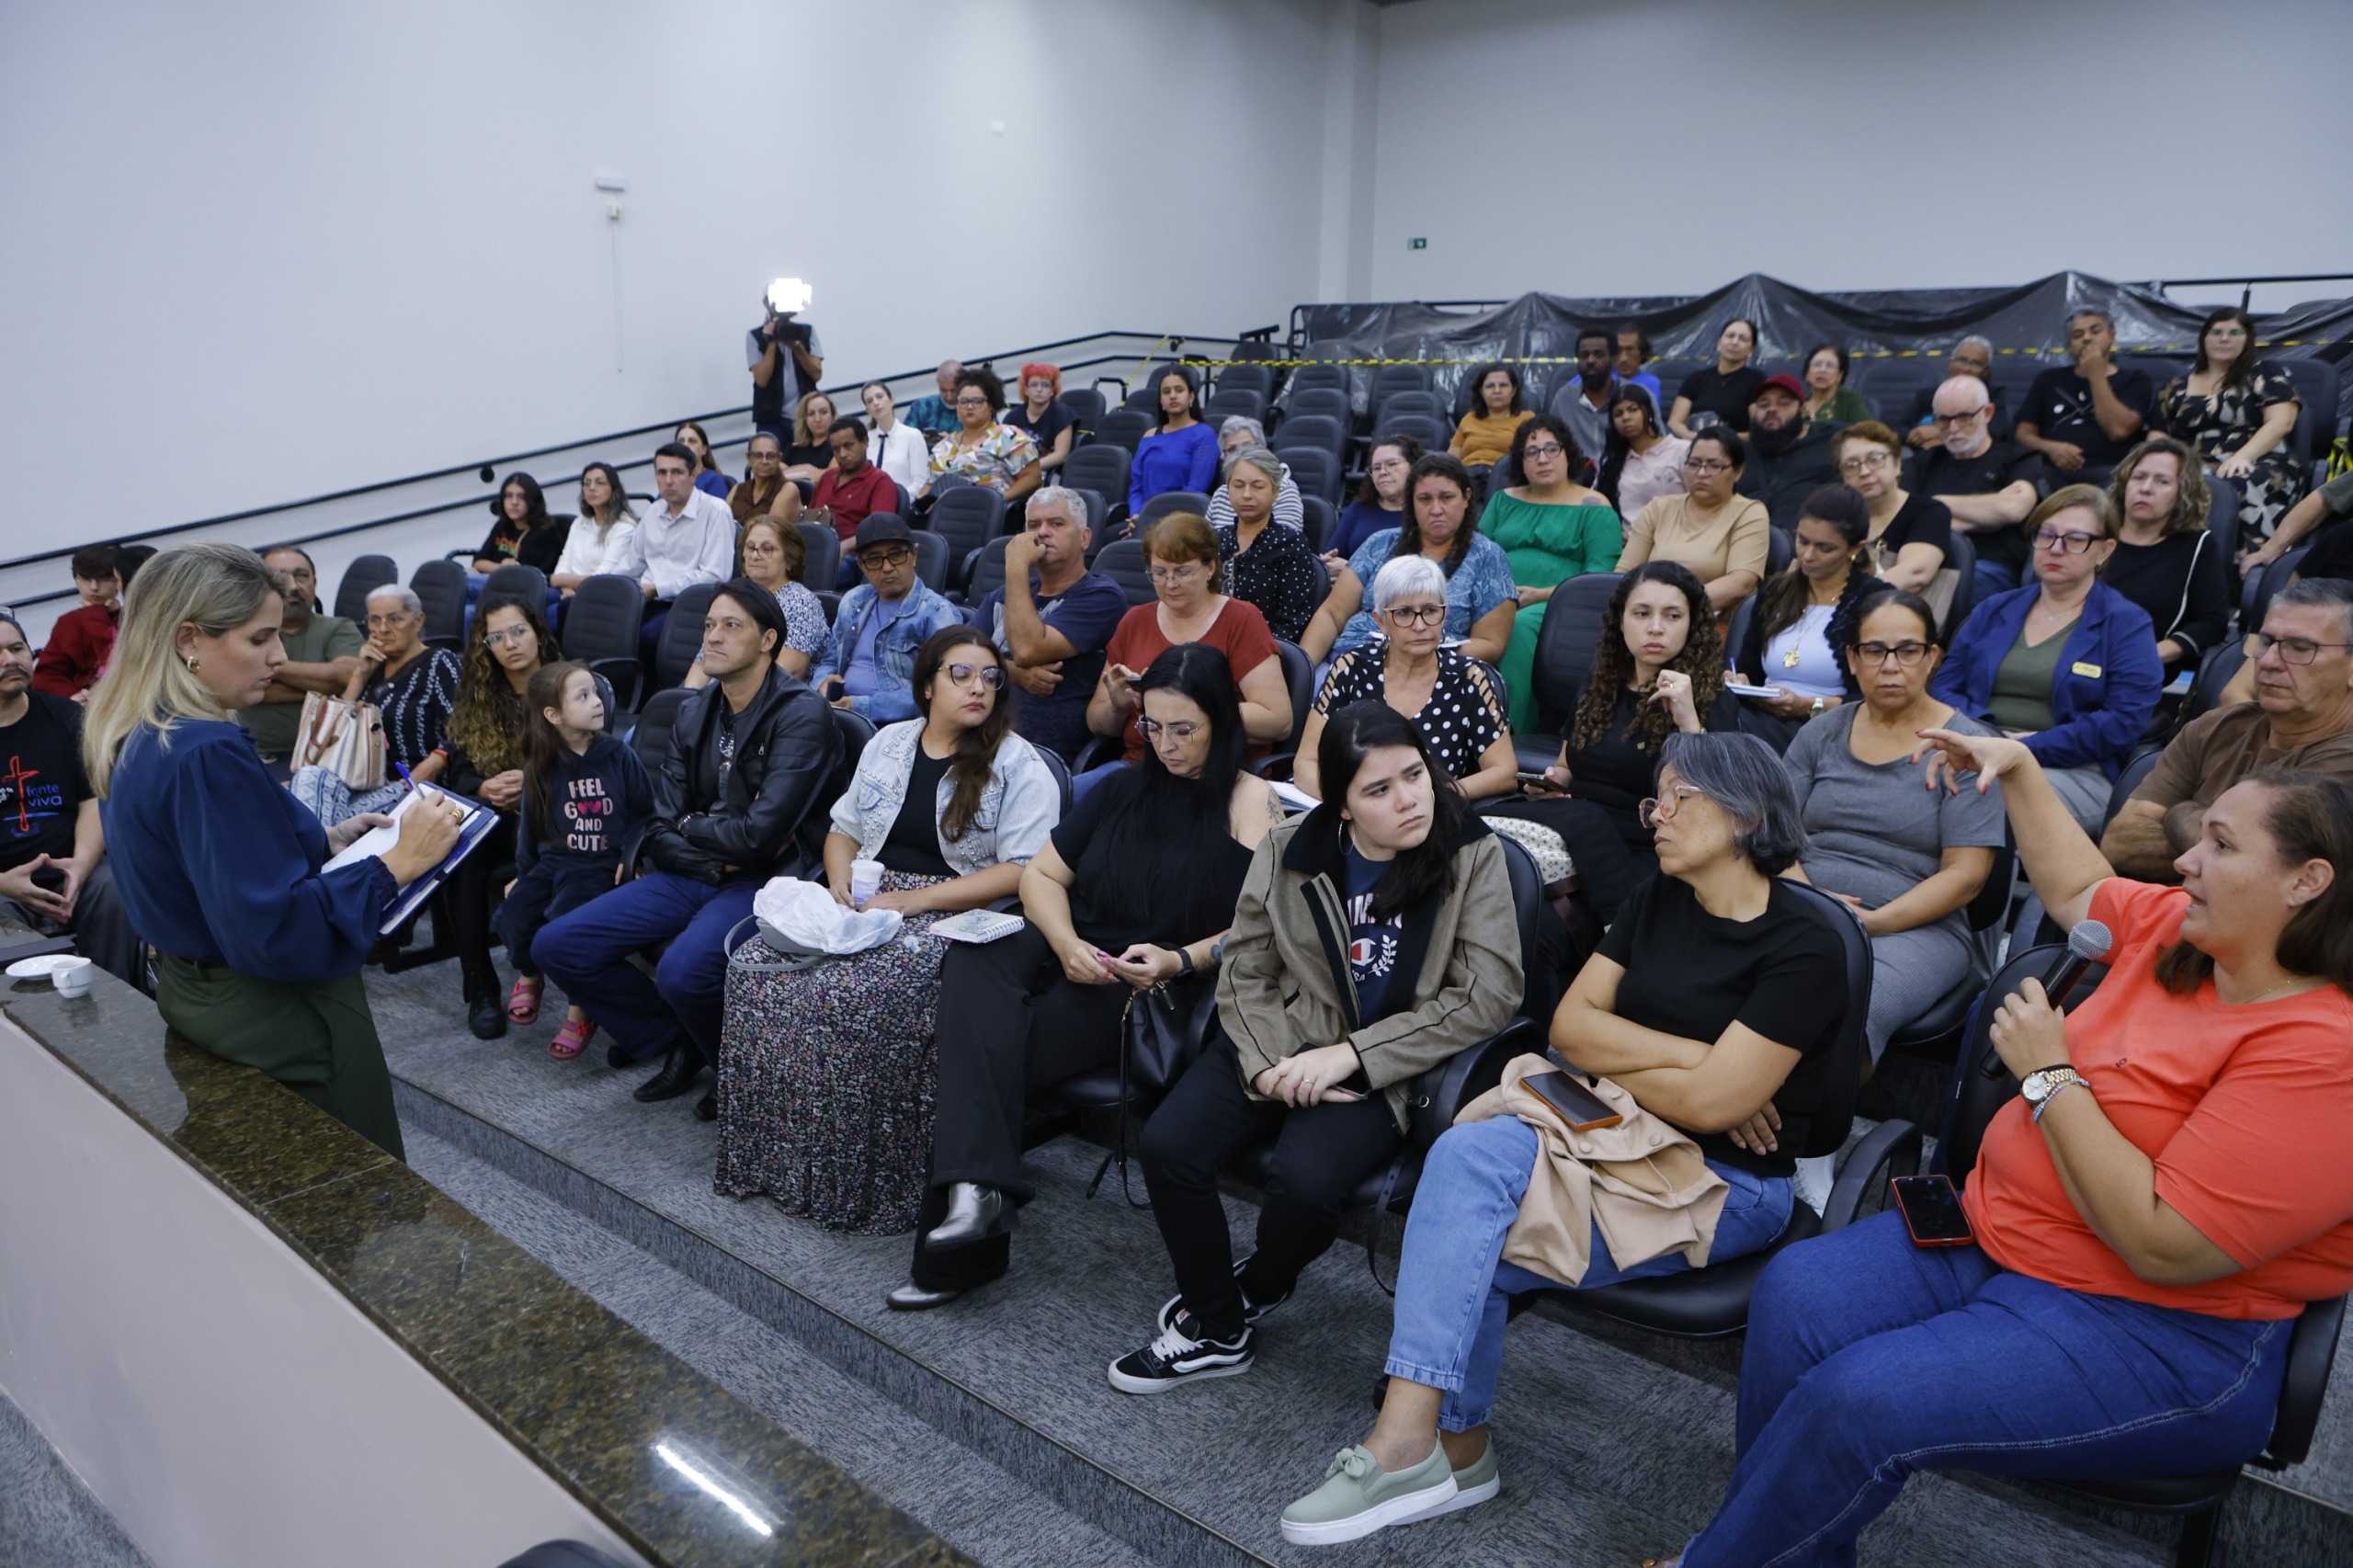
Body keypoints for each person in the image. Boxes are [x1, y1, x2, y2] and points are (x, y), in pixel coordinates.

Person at [1669, 733, 2353, 1568]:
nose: (2186, 861)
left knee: (1860, 1401)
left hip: (2159, 1326)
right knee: (1799, 1294)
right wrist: (2020, 771)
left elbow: (2165, 1245)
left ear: (2307, 882)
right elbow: (2077, 887)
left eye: (2220, 845)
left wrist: (2051, 1076)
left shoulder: (2326, 1054)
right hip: (1999, 1236)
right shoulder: (2184, 934)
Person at [1276, 732, 1839, 1543]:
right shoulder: (1656, 899)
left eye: (1679, 799)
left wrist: (1685, 1077)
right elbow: (1572, 1029)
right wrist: (1701, 1058)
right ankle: (1416, 1443)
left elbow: (1716, 1107)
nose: (1657, 816)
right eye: (1655, 800)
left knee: (1473, 1247)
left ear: (1747, 814)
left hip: (1724, 1182)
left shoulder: (1807, 944)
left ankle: (1446, 1449)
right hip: (1605, 1127)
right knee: (1464, 1153)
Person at [1112, 703, 1524, 1396]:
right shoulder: (1290, 849)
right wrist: (1269, 1065)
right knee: (1168, 1146)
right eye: (1379, 789)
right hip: (1281, 1036)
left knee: (1306, 1184)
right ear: (1341, 805)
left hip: (1387, 1058)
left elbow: (1488, 995)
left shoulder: (1470, 852)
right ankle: (1218, 1326)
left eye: (1415, 776)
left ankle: (1266, 1280)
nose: (1410, 800)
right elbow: (1246, 967)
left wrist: (1352, 1055)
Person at [894, 644, 1280, 1309]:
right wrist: (1066, 940)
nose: (1165, 744)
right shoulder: (1125, 787)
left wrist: (1179, 959)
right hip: (1072, 942)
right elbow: (1042, 876)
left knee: (980, 1052)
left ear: (1222, 721)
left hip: (1143, 972)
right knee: (975, 953)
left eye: (1183, 729)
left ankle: (968, 1219)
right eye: (1152, 726)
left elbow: (1260, 928)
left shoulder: (1252, 803)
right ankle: (976, 1197)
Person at [88, 544, 466, 1157]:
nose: (280, 657)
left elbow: (199, 864)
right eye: (259, 638)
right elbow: (278, 931)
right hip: (273, 1013)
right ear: (189, 639)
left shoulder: (137, 727)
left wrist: (321, 839)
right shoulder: (206, 751)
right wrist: (398, 863)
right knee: (351, 1181)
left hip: (199, 994)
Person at [715, 627, 1061, 1225]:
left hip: (954, 913)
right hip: (871, 897)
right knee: (755, 973)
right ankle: (776, 1162)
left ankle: (857, 1183)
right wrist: (840, 881)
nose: (978, 688)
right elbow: (843, 829)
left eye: (990, 678)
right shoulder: (889, 743)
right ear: (927, 686)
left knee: (847, 995)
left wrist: (913, 903)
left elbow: (1023, 871)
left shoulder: (1018, 765)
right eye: (960, 675)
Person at [534, 581, 840, 1102]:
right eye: (708, 626)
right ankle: (681, 1037)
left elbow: (759, 837)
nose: (712, 637)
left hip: (766, 881)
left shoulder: (802, 714)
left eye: (730, 626)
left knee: (682, 972)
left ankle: (738, 1075)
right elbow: (660, 820)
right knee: (558, 945)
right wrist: (698, 848)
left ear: (768, 640)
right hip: (697, 870)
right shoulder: (694, 709)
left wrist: (690, 828)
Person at [1782, 590, 2001, 1066]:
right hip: (1801, 903)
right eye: (1875, 650)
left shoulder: (1968, 748)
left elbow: (1966, 876)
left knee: (1843, 1006)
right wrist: (1814, 903)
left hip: (1916, 927)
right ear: (1852, 659)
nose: (1890, 666)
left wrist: (1869, 923)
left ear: (1932, 657)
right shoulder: (1820, 732)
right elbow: (1774, 837)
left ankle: (1805, 1115)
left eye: (1907, 650)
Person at [1489, 562, 1742, 925]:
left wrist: (1688, 720)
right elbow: (1565, 766)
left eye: (1672, 616)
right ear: (1621, 621)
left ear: (1692, 625)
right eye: (1641, 613)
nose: (1655, 627)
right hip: (1575, 833)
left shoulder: (1710, 697)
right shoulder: (1601, 682)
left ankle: (1619, 932)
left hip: (1644, 844)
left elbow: (1718, 806)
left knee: (1548, 920)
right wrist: (1551, 782)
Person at [1930, 486, 2162, 832]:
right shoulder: (1995, 609)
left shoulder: (2127, 624)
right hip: (1973, 752)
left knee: (1982, 795)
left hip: (2074, 771)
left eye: (2075, 539)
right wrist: (1983, 738)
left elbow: (2122, 724)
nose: (2055, 548)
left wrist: (2022, 747)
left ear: (2105, 550)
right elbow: (1944, 688)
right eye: (2046, 535)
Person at [2102, 579, 2353, 881]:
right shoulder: (2214, 727)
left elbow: (2267, 869)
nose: (2269, 662)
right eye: (2266, 642)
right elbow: (2119, 843)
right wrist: (2226, 844)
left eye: (2300, 648)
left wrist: (2178, 813)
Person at [500, 659, 654, 1062]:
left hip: (601, 864)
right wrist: (523, 875)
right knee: (512, 916)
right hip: (554, 861)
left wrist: (634, 854)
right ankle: (529, 974)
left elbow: (645, 814)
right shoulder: (541, 765)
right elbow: (529, 829)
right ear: (554, 715)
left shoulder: (618, 754)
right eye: (583, 697)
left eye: (596, 693)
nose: (597, 702)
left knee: (565, 925)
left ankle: (580, 1010)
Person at [1082, 514, 1290, 791]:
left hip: (1211, 774)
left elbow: (1277, 720)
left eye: (1182, 572)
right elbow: (1097, 723)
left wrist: (1183, 704)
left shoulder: (1240, 620)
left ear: (1210, 568)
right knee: (1064, 799)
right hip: (1139, 767)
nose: (1170, 584)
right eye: (1159, 573)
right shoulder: (1135, 621)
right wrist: (1118, 706)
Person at [435, 596, 558, 1038]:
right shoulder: (479, 698)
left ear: (537, 632)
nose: (510, 643)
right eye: (497, 637)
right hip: (499, 818)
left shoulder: (570, 685)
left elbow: (595, 760)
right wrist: (483, 788)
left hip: (558, 818)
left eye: (518, 631)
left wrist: (532, 780)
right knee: (461, 849)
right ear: (485, 647)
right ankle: (481, 985)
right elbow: (460, 770)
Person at [1297, 558, 1515, 801]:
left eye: (1430, 611)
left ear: (1445, 615)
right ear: (1380, 621)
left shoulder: (1468, 678)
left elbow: (1504, 771)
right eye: (1404, 613)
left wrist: (1434, 798)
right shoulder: (1351, 668)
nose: (1420, 625)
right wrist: (1353, 805)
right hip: (1351, 813)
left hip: (1434, 814)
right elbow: (1305, 762)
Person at [0, 614, 139, 983]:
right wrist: (3, 883)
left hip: (76, 869)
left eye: (16, 648)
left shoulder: (66, 717)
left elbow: (93, 798)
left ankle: (121, 998)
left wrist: (80, 866)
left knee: (116, 888)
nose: (9, 660)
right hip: (4, 885)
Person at [1302, 454, 1517, 667]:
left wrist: (1412, 654)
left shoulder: (1488, 556)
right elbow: (1332, 615)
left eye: (1446, 497)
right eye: (1424, 499)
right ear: (1411, 503)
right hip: (1348, 658)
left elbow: (1491, 644)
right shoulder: (1380, 543)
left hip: (1433, 670)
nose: (1436, 510)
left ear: (1466, 498)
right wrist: (1304, 670)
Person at [1485, 415, 1622, 731]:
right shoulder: (1502, 500)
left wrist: (1541, 594)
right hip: (1496, 598)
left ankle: (1507, 732)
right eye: (1532, 451)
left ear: (1567, 454)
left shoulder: (1594, 505)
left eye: (1551, 449)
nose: (1542, 458)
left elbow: (1598, 576)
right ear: (1520, 460)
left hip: (1560, 605)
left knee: (1517, 627)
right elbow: (1479, 555)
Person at [974, 487, 1128, 764]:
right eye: (1033, 525)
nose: (1043, 532)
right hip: (984, 739)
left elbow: (1027, 650)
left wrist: (1016, 566)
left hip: (1044, 756)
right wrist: (1014, 674)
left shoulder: (1102, 596)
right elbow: (956, 655)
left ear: (1085, 538)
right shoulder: (1002, 595)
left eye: (1056, 524)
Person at [288, 584, 462, 827]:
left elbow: (463, 727)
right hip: (359, 780)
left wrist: (430, 766)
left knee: (328, 819)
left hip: (413, 784)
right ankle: (323, 844)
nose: (383, 629)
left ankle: (321, 845)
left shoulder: (438, 662)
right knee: (309, 777)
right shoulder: (374, 669)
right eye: (375, 620)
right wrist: (360, 674)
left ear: (418, 621)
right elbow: (333, 736)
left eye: (395, 619)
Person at [1730, 486, 1891, 744]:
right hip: (1761, 719)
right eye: (1802, 541)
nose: (1807, 555)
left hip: (1835, 729)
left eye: (1824, 548)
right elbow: (1748, 669)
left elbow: (1878, 696)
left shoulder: (1876, 602)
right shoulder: (1775, 591)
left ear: (1855, 549)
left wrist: (1809, 705)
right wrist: (1740, 682)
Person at [2156, 305, 2307, 546]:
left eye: (2234, 332)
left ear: (2248, 339)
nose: (2224, 338)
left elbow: (2282, 422)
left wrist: (2240, 458)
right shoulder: (2175, 385)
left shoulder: (2264, 372)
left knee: (2233, 486)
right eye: (2216, 332)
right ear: (2204, 339)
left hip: (2257, 460)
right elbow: (2160, 436)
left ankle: (2253, 561)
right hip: (2191, 464)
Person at [808, 514, 962, 724]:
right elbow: (829, 661)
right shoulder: (853, 601)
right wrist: (822, 684)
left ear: (914, 555)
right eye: (874, 560)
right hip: (838, 714)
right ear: (862, 566)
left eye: (896, 555)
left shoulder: (937, 613)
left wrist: (861, 706)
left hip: (898, 727)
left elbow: (939, 690)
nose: (887, 567)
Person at [2102, 435, 2230, 676]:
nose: (2146, 488)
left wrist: (2149, 654)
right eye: (2138, 477)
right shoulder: (2094, 534)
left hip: (2138, 670)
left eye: (2162, 481)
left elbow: (2212, 623)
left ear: (2183, 493)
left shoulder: (2197, 546)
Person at [233, 547, 365, 777]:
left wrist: (267, 668)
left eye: (302, 576)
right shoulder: (242, 630)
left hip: (324, 761)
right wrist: (327, 694)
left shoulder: (339, 627)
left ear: (315, 582)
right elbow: (240, 687)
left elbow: (347, 676)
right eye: (280, 577)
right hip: (251, 756)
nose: (293, 586)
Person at [1915, 375, 2043, 600]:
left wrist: (1936, 503)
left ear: (1988, 413)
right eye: (1943, 420)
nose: (1953, 428)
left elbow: (2012, 509)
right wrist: (1988, 517)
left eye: (1964, 417)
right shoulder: (1924, 462)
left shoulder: (2019, 458)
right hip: (1923, 560)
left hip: (1989, 567)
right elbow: (1906, 514)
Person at [1616, 430, 1771, 616]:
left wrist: (1674, 607)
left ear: (1737, 472)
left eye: (1714, 466)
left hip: (1711, 619)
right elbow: (1624, 573)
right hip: (1648, 615)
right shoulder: (1659, 508)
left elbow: (1741, 583)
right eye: (1694, 464)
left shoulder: (1749, 513)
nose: (1701, 473)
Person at [680, 517, 826, 684]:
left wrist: (729, 696)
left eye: (767, 549)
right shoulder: (731, 597)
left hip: (767, 696)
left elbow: (786, 672)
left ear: (790, 559)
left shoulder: (801, 603)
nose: (755, 555)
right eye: (750, 548)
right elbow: (703, 662)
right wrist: (694, 696)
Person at [2014, 308, 2154, 482]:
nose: (2087, 338)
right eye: (2077, 335)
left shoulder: (2135, 379)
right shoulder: (2048, 379)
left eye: (2095, 331)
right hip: (2054, 471)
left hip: (2113, 472)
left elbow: (2118, 430)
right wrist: (2050, 447)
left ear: (2111, 336)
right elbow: (2023, 434)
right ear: (2070, 345)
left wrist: (2096, 375)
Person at [1213, 447, 1325, 643]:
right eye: (1238, 485)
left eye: (1257, 486)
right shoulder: (1215, 539)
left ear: (1275, 491)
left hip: (1265, 647)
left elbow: (1294, 620)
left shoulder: (1290, 543)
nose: (1246, 494)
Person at [1834, 420, 1952, 597]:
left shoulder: (1929, 512)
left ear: (1897, 464)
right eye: (1851, 466)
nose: (1864, 472)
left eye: (1875, 460)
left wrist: (1843, 600)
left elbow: (1914, 574)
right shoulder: (1834, 515)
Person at [633, 441, 738, 636]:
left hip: (688, 606)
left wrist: (658, 589)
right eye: (662, 473)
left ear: (693, 475)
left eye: (677, 472)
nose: (668, 480)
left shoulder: (716, 511)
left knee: (642, 634)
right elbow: (633, 562)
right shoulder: (654, 510)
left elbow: (715, 576)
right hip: (645, 598)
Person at [1737, 375, 1845, 535]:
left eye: (1784, 403)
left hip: (1808, 539)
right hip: (1742, 538)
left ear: (1803, 410)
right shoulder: (1741, 452)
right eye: (1763, 405)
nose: (1772, 409)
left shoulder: (1832, 438)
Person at [922, 367, 1042, 506]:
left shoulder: (1008, 436)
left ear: (991, 405)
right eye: (964, 401)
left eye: (977, 401)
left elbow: (1033, 478)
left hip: (993, 512)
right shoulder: (944, 446)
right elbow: (929, 487)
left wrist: (1000, 499)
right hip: (947, 512)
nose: (969, 407)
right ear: (957, 407)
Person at [811, 415, 903, 579]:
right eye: (836, 449)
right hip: (817, 549)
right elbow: (811, 519)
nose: (842, 454)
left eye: (848, 446)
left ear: (865, 442)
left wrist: (843, 547)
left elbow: (879, 530)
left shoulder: (880, 481)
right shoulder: (827, 478)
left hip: (854, 558)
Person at [1126, 364, 1220, 517]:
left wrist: (1158, 518)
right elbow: (1136, 487)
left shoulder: (1204, 435)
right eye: (1166, 392)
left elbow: (1195, 488)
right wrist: (1136, 515)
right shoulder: (1149, 436)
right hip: (1143, 517)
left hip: (1180, 519)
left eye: (1179, 390)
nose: (1173, 396)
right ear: (1161, 401)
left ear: (1191, 397)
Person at [30, 545, 122, 700]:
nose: (94, 587)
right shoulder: (68, 623)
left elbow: (111, 661)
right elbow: (46, 675)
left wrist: (95, 615)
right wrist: (74, 696)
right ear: (76, 580)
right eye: (86, 579)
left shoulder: (133, 617)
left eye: (104, 579)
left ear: (118, 580)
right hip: (86, 704)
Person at [550, 461, 642, 597]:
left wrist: (564, 582)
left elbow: (602, 578)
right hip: (569, 591)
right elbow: (562, 567)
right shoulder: (579, 522)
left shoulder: (625, 527)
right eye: (587, 484)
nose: (592, 488)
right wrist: (565, 589)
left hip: (601, 595)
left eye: (600, 483)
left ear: (614, 489)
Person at [1325, 435, 1420, 567]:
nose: (1383, 472)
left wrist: (1353, 570)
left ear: (1414, 466)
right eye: (1376, 468)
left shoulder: (1425, 512)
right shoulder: (1358, 509)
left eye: (1392, 464)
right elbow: (1331, 557)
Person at [1597, 387, 1688, 519]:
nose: (1625, 417)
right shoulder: (1612, 461)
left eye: (1633, 410)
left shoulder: (1681, 450)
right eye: (1618, 414)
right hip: (1627, 531)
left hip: (1675, 530)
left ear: (1648, 412)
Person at [1203, 415, 1305, 532]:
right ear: (1223, 456)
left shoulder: (1283, 488)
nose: (1240, 454)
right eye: (1232, 449)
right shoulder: (1221, 493)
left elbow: (1287, 537)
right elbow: (1206, 540)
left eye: (1248, 446)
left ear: (1263, 449)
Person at [1548, 331, 1630, 473]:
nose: (1590, 360)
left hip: (1625, 476)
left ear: (1613, 359)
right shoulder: (1563, 399)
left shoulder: (1633, 395)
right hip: (1576, 478)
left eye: (1599, 354)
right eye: (1584, 355)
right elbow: (1550, 446)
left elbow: (1656, 445)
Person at [1668, 318, 1765, 437]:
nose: (1735, 342)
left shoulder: (1757, 380)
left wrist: (1721, 439)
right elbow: (1675, 422)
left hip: (1735, 446)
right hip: (1692, 443)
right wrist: (1695, 438)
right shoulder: (1696, 378)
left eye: (1743, 339)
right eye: (1730, 336)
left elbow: (1759, 432)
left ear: (1751, 350)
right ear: (1719, 344)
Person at [747, 300, 824, 447]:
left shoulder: (806, 332)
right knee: (772, 457)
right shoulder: (755, 336)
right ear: (766, 303)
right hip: (770, 417)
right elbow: (761, 380)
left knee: (807, 455)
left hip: (805, 415)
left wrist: (797, 347)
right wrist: (771, 342)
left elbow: (816, 374)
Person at [1904, 335, 2000, 448]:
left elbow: (1998, 432)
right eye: (1962, 360)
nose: (1966, 368)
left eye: (1976, 364)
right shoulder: (1927, 395)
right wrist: (1917, 435)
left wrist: (1940, 433)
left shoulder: (1994, 396)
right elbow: (1900, 429)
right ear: (1950, 363)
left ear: (1986, 372)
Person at [470, 472, 564, 576]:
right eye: (509, 496)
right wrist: (500, 568)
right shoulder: (502, 525)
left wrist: (499, 569)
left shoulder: (545, 532)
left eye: (521, 497)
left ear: (533, 500)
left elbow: (529, 576)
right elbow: (478, 562)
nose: (514, 502)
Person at [859, 381, 934, 498]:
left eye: (879, 396)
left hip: (903, 503)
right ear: (867, 410)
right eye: (870, 401)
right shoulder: (865, 440)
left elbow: (920, 482)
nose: (876, 403)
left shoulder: (912, 435)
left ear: (891, 400)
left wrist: (896, 499)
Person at [1451, 361, 1532, 470]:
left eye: (1503, 385)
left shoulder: (1527, 420)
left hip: (1504, 475)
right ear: (1481, 391)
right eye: (1490, 386)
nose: (1497, 390)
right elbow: (1452, 458)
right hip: (1468, 473)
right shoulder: (1469, 419)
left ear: (1513, 391)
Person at [1005, 362, 1075, 475]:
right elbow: (1004, 450)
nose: (1039, 389)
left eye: (1045, 385)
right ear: (1026, 390)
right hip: (1018, 471)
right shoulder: (1013, 416)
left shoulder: (1062, 413)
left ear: (1052, 391)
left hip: (1052, 474)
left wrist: (1029, 469)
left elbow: (1061, 455)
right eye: (1034, 385)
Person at [727, 433, 804, 530]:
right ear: (748, 458)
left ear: (779, 458)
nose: (764, 461)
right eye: (758, 455)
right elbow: (722, 523)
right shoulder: (737, 489)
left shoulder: (788, 489)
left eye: (771, 456)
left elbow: (770, 532)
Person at [1801, 342, 1870, 426]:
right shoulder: (1797, 405)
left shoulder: (1849, 402)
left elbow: (1870, 431)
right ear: (1807, 374)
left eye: (1830, 366)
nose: (1822, 370)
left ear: (1840, 376)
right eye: (1817, 365)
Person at [779, 396, 835, 488]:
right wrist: (808, 471)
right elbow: (776, 476)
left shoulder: (838, 445)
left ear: (832, 415)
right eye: (811, 414)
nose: (817, 419)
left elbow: (833, 475)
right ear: (804, 419)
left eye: (823, 412)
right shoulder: (794, 448)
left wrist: (793, 472)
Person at [1613, 324, 1665, 420]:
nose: (1623, 358)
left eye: (1630, 350)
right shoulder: (1602, 379)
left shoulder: (1651, 383)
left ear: (1642, 353)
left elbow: (1651, 420)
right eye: (1618, 350)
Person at [902, 359, 964, 437]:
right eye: (943, 390)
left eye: (953, 390)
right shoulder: (921, 407)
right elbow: (906, 438)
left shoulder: (971, 408)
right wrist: (921, 439)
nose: (949, 396)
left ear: (963, 384)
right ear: (938, 383)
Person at [675, 421, 733, 499]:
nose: (685, 445)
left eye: (692, 441)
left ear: (704, 450)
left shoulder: (714, 481)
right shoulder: (670, 480)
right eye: (681, 441)